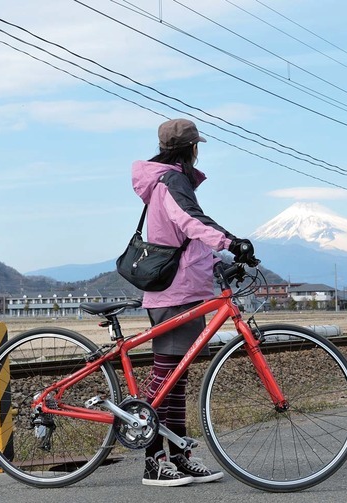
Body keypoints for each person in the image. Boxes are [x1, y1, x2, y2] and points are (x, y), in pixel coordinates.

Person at [131, 118, 257, 487]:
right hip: (174, 291)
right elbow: (189, 221)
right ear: (192, 148)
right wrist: (231, 241)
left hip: (188, 288)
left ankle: (180, 455)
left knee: (177, 380)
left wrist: (220, 261)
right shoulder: (171, 180)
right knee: (164, 378)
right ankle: (153, 459)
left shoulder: (170, 179)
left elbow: (186, 240)